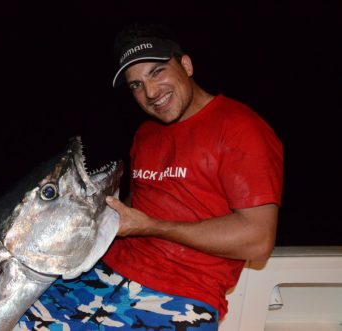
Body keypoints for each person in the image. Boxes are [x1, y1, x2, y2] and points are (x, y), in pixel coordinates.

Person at [16, 23, 283, 330]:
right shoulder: (147, 133)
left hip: (179, 293)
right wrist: (101, 214)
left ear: (186, 65)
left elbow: (258, 241)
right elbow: (140, 204)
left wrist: (152, 226)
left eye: (157, 72)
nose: (151, 93)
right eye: (136, 85)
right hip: (105, 272)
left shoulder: (240, 129)